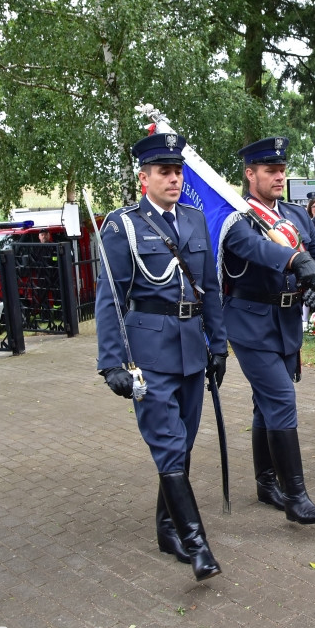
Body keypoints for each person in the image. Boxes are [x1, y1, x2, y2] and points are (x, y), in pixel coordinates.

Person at [95, 133, 227, 581]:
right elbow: (110, 298)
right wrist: (111, 362)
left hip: (193, 349)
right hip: (148, 353)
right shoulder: (123, 225)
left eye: (177, 171)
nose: (174, 178)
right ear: (143, 178)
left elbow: (210, 288)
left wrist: (220, 344)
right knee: (169, 444)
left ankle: (166, 528)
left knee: (184, 442)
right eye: (164, 172)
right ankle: (196, 544)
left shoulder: (194, 219)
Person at [220, 136, 315, 525]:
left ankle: (266, 482)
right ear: (250, 174)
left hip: (286, 324)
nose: (279, 177)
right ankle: (296, 496)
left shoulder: (295, 214)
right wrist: (297, 260)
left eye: (282, 170)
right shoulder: (236, 217)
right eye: (270, 170)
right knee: (282, 400)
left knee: (265, 404)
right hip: (251, 323)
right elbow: (256, 250)